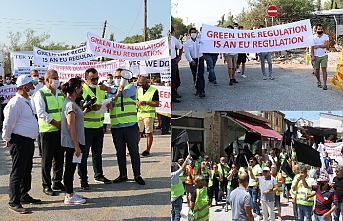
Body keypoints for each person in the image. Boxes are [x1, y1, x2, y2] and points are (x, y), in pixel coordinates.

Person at [2, 75, 41, 214]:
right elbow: (8, 123)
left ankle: (24, 195)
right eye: (31, 85)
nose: (33, 87)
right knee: (18, 171)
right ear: (25, 87)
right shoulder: (15, 103)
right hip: (19, 141)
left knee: (26, 170)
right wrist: (6, 138)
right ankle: (14, 201)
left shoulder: (26, 100)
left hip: (27, 141)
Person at [78, 68, 112, 189]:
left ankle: (99, 175)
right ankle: (83, 179)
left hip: (99, 126)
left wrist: (108, 105)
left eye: (97, 78)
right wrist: (92, 108)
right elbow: (79, 107)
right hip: (86, 127)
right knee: (84, 154)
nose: (96, 81)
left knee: (97, 153)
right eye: (93, 79)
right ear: (86, 79)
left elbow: (105, 100)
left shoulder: (100, 88)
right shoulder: (81, 90)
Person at [110, 69, 145, 185]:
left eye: (119, 77)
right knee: (120, 152)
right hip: (116, 127)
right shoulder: (111, 90)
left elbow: (123, 93)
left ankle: (137, 175)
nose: (117, 79)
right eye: (116, 77)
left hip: (130, 126)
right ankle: (123, 174)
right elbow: (110, 101)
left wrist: (111, 90)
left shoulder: (131, 87)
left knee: (133, 152)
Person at [34, 69, 65, 196]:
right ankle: (46, 185)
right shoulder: (40, 94)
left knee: (59, 159)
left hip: (60, 130)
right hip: (47, 130)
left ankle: (57, 181)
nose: (57, 80)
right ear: (47, 80)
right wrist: (56, 123)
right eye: (55, 78)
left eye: (57, 77)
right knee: (47, 160)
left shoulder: (60, 93)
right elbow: (41, 113)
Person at [60, 78, 86, 204]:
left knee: (72, 167)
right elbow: (71, 126)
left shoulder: (71, 103)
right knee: (70, 169)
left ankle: (70, 192)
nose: (81, 90)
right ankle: (69, 196)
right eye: (80, 87)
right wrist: (76, 145)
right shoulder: (70, 105)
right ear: (76, 89)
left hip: (74, 141)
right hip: (72, 142)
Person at [136, 76, 159, 157]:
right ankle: (135, 149)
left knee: (148, 133)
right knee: (137, 133)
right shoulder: (138, 90)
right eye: (140, 84)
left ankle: (147, 150)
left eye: (142, 83)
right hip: (140, 114)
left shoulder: (154, 90)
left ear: (147, 82)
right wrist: (137, 103)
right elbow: (137, 100)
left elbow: (157, 103)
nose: (141, 85)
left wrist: (146, 102)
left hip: (149, 115)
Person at [184, 27, 205, 97]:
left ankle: (202, 90)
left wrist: (203, 55)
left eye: (194, 32)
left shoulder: (200, 41)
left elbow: (204, 48)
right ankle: (197, 89)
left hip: (200, 59)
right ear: (190, 34)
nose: (193, 34)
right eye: (192, 32)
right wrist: (191, 60)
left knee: (201, 75)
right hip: (193, 60)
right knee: (195, 75)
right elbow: (187, 53)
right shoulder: (187, 43)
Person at [171, 155, 191, 221]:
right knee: (178, 214)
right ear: (174, 169)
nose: (177, 167)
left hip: (173, 197)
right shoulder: (173, 175)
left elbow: (182, 176)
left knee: (173, 213)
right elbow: (182, 168)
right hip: (176, 197)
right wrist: (187, 159)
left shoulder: (172, 175)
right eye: (176, 167)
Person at [29, 69, 44, 157]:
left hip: (39, 112)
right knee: (33, 132)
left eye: (37, 75)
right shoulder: (28, 87)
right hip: (31, 112)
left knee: (40, 132)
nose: (36, 77)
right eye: (34, 75)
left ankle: (41, 150)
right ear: (30, 76)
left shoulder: (41, 86)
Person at [312, 24, 330, 90]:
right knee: (317, 70)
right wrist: (312, 56)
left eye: (321, 29)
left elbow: (327, 45)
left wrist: (318, 46)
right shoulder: (313, 37)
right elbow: (312, 48)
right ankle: (319, 81)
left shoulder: (325, 36)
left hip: (324, 55)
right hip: (316, 56)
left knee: (324, 69)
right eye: (319, 29)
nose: (320, 30)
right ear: (316, 29)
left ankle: (325, 84)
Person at [170, 25, 183, 103]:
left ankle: (174, 94)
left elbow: (181, 47)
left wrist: (179, 57)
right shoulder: (162, 40)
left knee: (174, 79)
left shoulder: (173, 39)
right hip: (164, 62)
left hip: (173, 61)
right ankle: (172, 96)